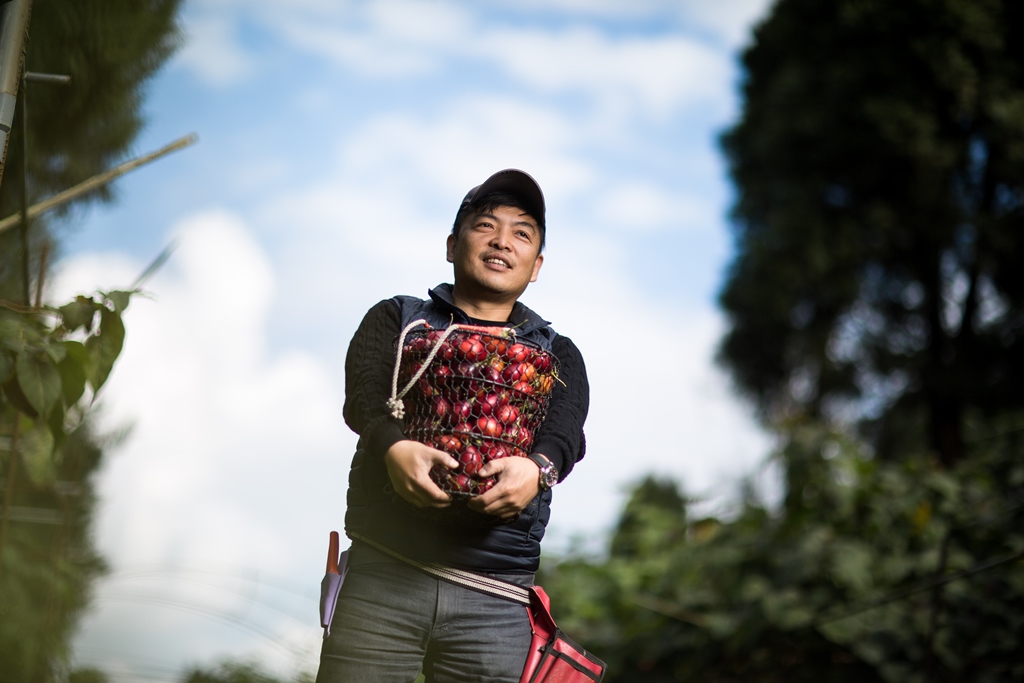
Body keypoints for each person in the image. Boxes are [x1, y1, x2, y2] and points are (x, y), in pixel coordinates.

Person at [316, 169, 590, 683]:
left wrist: (536, 471)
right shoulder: (398, 319)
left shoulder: (558, 355)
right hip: (384, 574)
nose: (502, 241)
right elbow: (364, 399)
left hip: (496, 599)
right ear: (451, 245)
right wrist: (394, 450)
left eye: (522, 233)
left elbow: (564, 435)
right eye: (485, 225)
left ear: (536, 267)